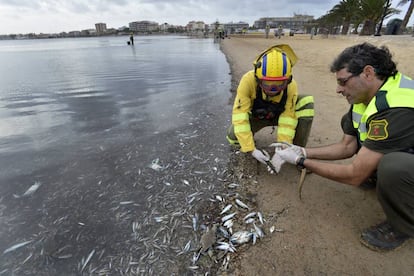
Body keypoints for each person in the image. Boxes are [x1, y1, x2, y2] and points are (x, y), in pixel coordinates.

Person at [274, 43, 414, 251]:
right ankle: (377, 175)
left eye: (342, 82)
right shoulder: (368, 96)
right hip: (403, 146)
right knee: (352, 127)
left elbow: (354, 175)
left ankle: (403, 226)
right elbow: (347, 146)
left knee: (393, 166)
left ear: (368, 73)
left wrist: (302, 162)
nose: (338, 89)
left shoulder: (395, 106)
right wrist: (302, 151)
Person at [226, 44, 314, 172]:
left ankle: (295, 152)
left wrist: (282, 151)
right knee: (232, 136)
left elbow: (288, 119)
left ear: (288, 80)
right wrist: (251, 150)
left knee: (306, 102)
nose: (273, 90)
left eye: (279, 84)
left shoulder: (291, 86)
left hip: (279, 115)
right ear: (258, 78)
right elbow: (240, 115)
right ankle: (249, 144)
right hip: (257, 117)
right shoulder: (247, 81)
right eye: (267, 84)